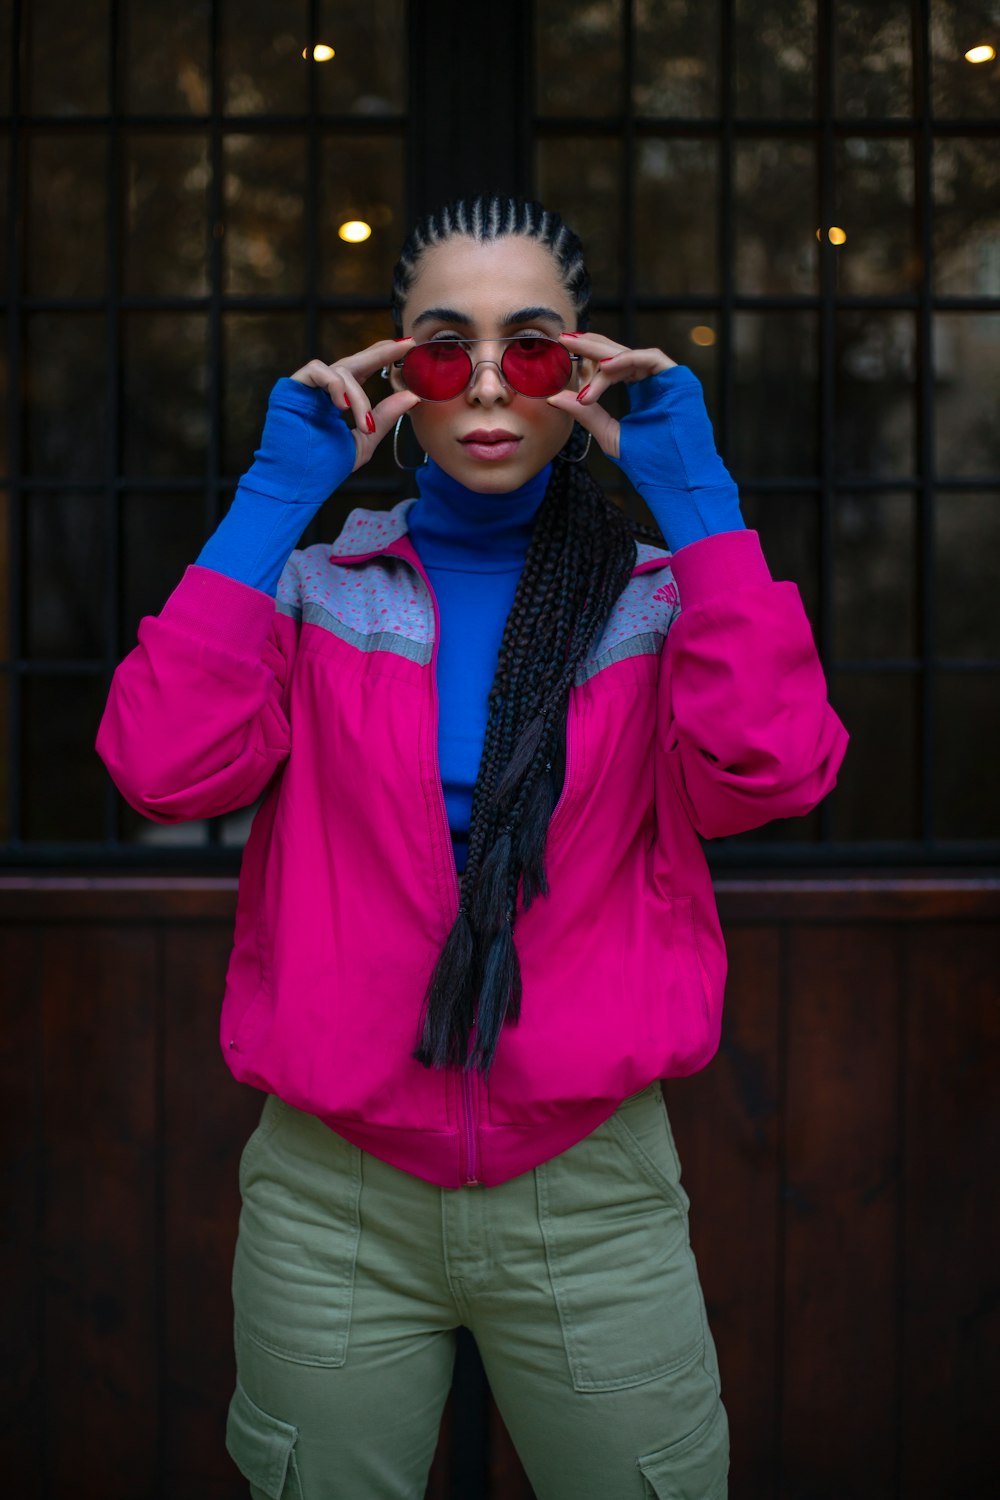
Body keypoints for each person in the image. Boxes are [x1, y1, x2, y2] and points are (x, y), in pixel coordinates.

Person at [97, 193, 848, 1500]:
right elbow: (161, 767)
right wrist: (278, 496)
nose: (491, 386)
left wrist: (697, 494)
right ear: (393, 377)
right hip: (334, 1195)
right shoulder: (315, 590)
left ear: (586, 370)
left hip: (592, 1191)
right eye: (447, 349)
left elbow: (774, 768)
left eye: (536, 348)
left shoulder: (671, 600)